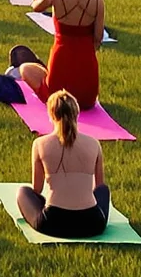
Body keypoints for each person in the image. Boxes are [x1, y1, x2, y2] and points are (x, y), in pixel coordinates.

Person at [15, 91, 109, 238]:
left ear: (52, 116)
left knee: (23, 192)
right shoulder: (94, 144)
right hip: (92, 224)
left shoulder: (39, 144)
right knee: (104, 191)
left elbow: (37, 189)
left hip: (53, 223)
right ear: (77, 114)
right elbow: (99, 186)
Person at [20, 0, 103, 104]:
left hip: (59, 75)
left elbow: (35, 4)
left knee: (25, 69)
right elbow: (98, 38)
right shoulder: (97, 0)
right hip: (87, 88)